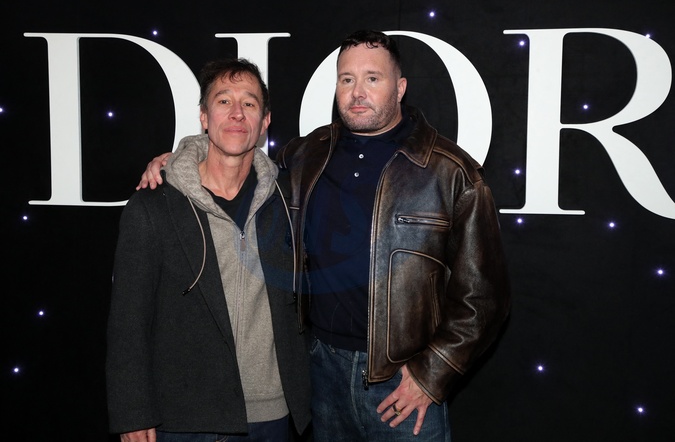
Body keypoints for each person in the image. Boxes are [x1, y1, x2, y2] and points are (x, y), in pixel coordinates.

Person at [139, 30, 510, 441]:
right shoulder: (306, 156)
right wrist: (181, 158)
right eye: (347, 79)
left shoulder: (452, 172)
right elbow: (235, 155)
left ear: (400, 87)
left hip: (401, 383)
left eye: (373, 78)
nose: (357, 92)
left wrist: (431, 373)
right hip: (318, 374)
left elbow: (484, 297)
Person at [107, 59, 311, 442]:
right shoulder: (154, 206)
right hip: (185, 420)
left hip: (273, 416)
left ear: (265, 122)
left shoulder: (289, 200)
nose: (237, 113)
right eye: (223, 101)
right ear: (204, 116)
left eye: (249, 103)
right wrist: (132, 412)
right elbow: (128, 320)